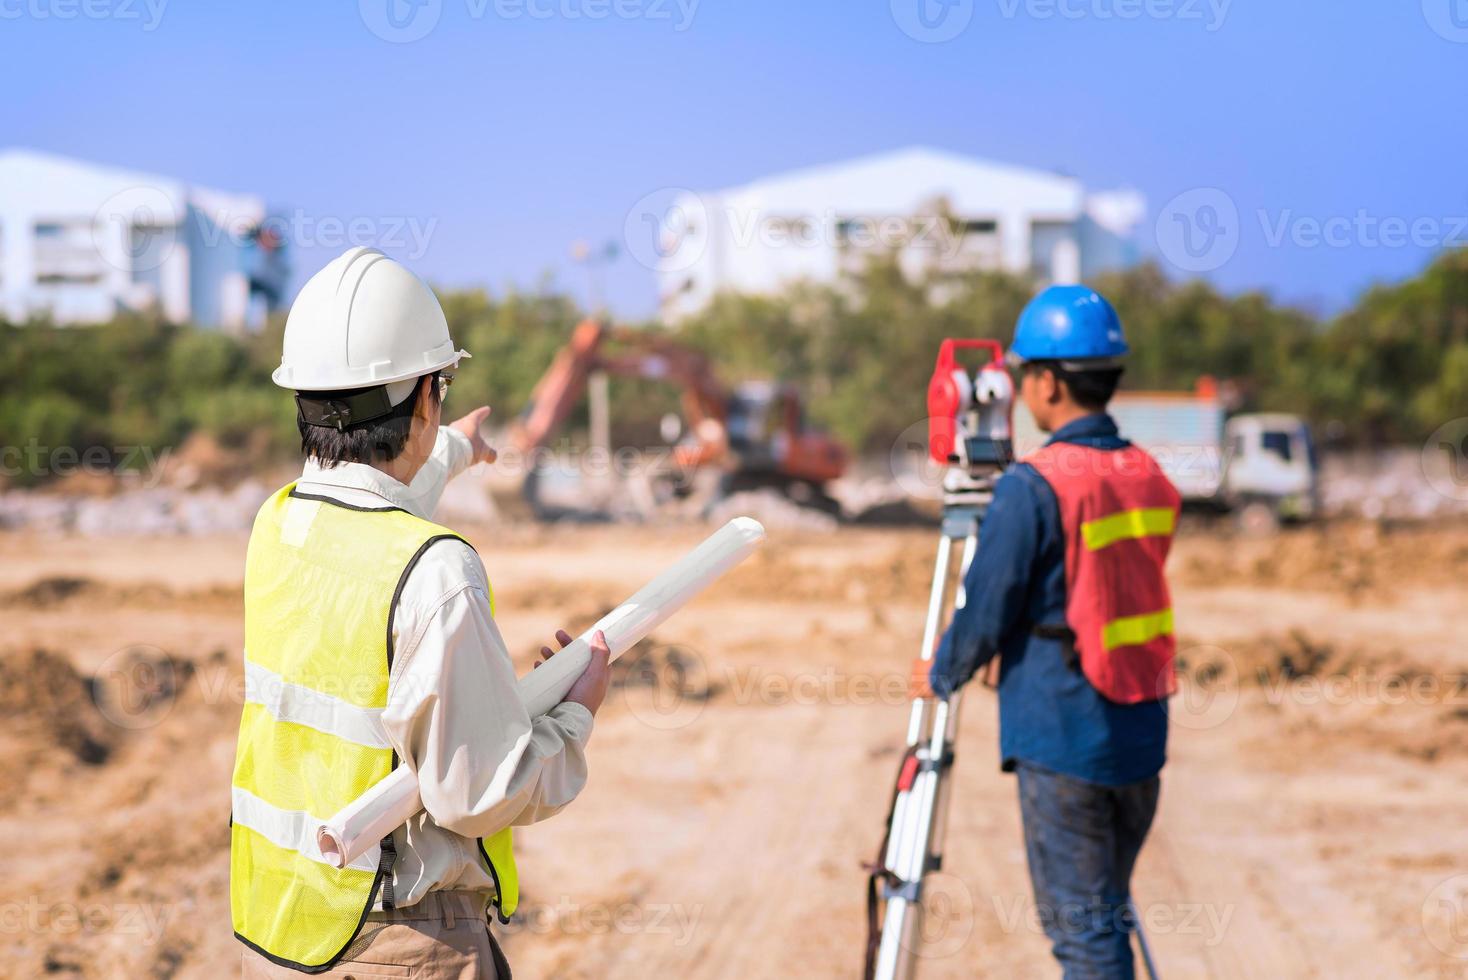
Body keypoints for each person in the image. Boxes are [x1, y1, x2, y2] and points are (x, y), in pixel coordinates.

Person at [232, 246, 610, 978]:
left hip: (282, 929)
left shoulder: (278, 525)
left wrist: (457, 447)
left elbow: (368, 499)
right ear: (426, 397)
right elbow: (477, 792)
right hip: (399, 947)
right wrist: (577, 714)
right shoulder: (438, 570)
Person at [928, 285, 1180, 980]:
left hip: (1066, 735)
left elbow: (987, 606)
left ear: (1044, 382)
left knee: (1085, 937)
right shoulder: (1147, 474)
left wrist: (941, 672)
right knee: (1103, 912)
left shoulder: (1035, 485)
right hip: (1140, 731)